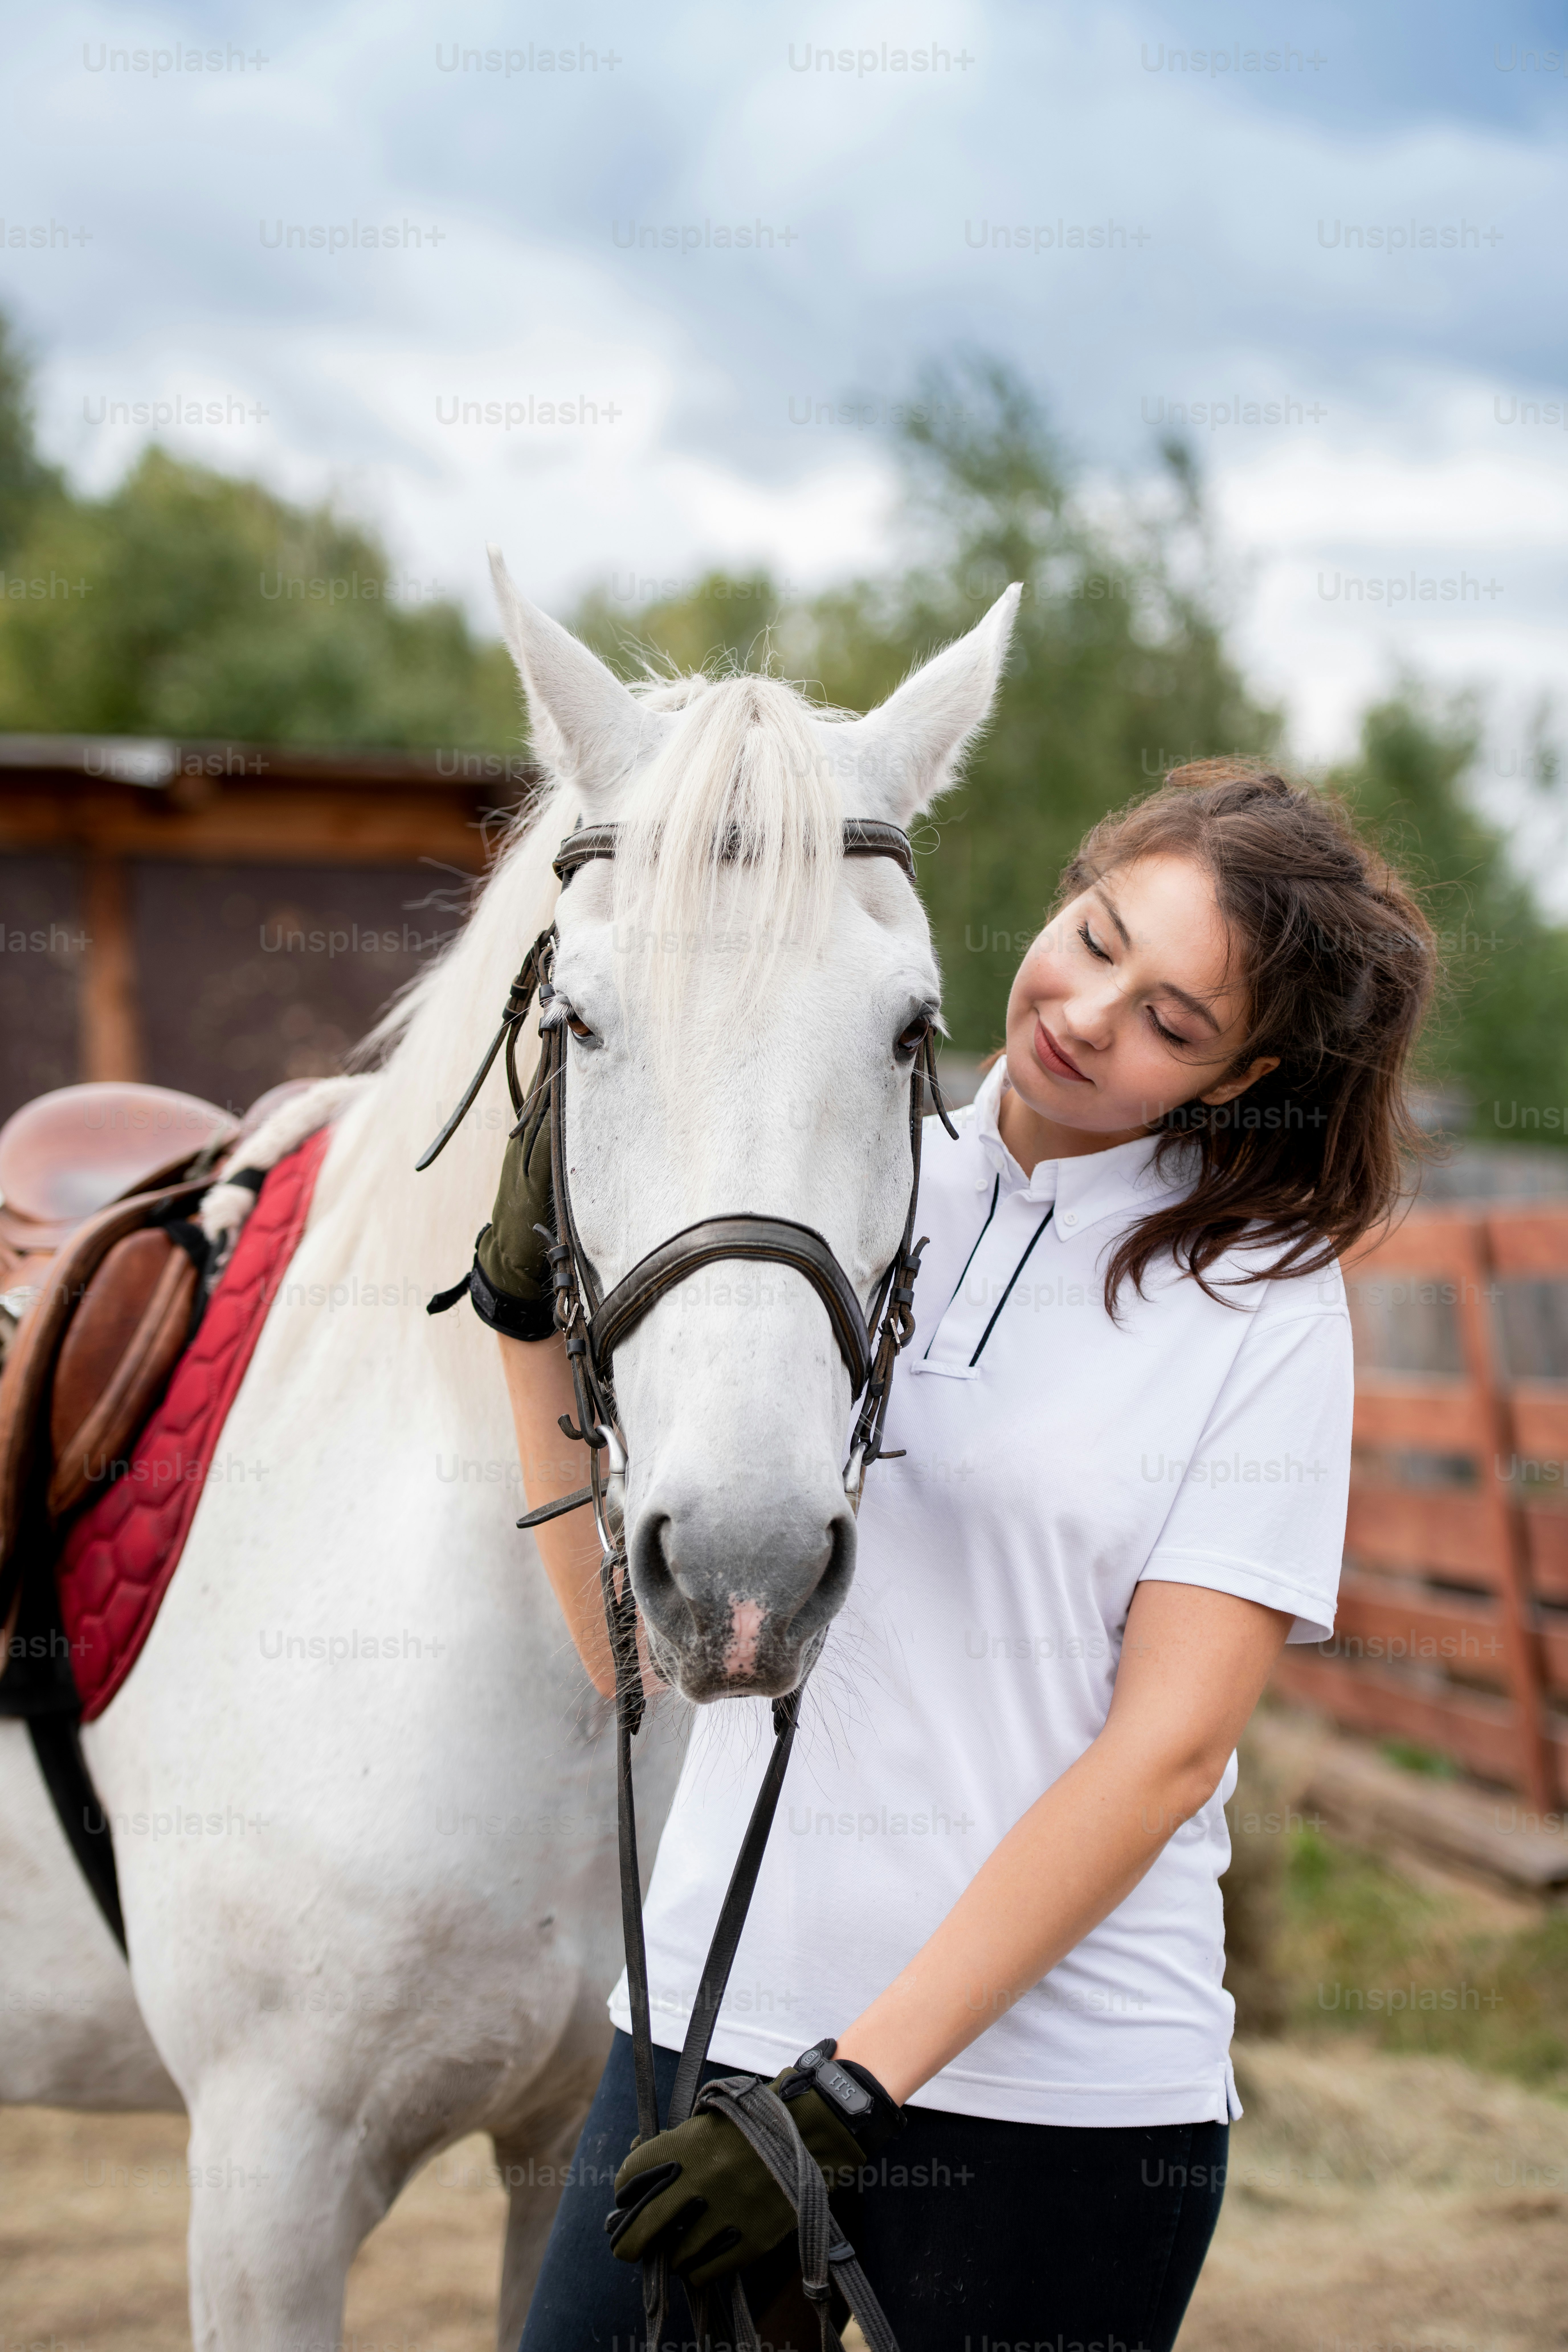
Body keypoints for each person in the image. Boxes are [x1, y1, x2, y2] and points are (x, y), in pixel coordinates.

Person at [481, 761, 1435, 2351]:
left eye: (1174, 1022)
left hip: (1054, 2110)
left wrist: (850, 2093)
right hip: (709, 2023)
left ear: (1240, 1072)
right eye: (1097, 934)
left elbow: (1169, 1750)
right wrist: (525, 1330)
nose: (1088, 1010)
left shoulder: (1265, 1300)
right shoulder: (842, 1189)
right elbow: (642, 1669)